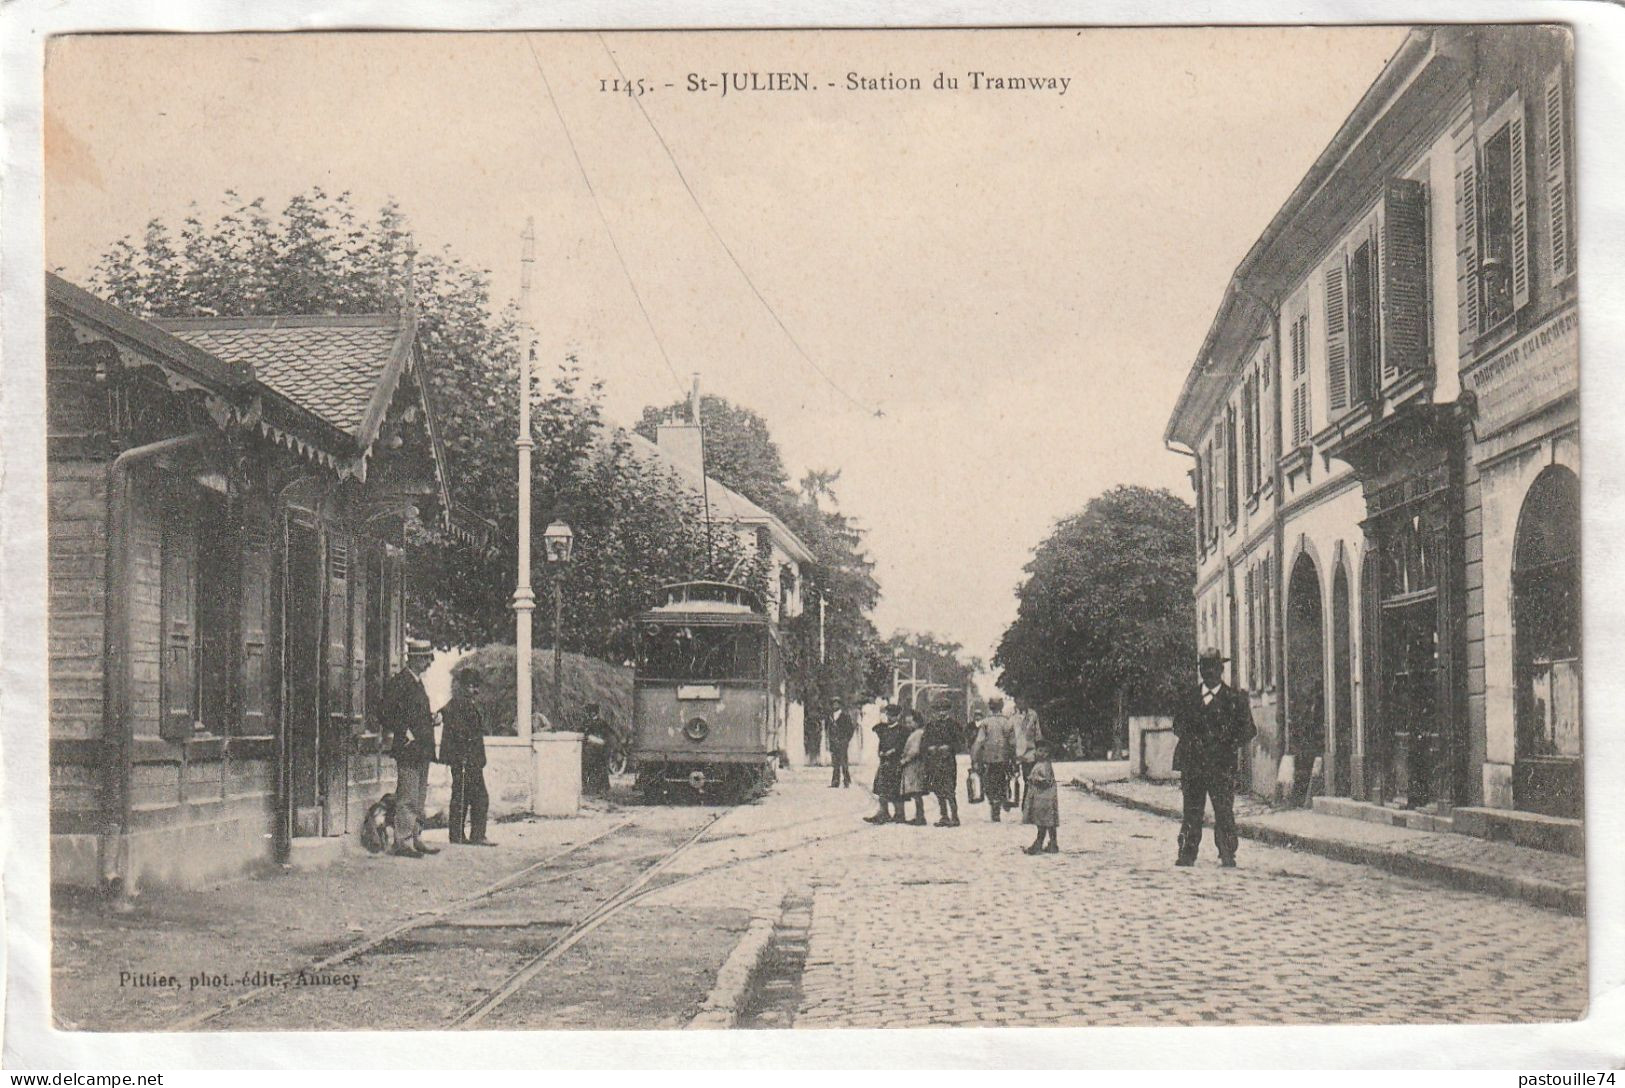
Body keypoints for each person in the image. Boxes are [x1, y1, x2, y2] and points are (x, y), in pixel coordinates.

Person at [1172, 646, 1257, 868]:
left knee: (1223, 811)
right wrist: (1193, 742)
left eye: (1212, 667)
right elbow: (1177, 725)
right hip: (1193, 765)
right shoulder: (1188, 698)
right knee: (1191, 810)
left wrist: (1227, 744)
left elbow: (1248, 730)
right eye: (1204, 667)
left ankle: (1227, 852)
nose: (1208, 672)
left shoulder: (1234, 699)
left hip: (1221, 766)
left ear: (1221, 669)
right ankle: (1187, 853)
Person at [380, 639, 439, 858]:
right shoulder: (400, 682)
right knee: (407, 796)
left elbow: (414, 713)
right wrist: (403, 731)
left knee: (419, 795)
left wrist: (431, 718)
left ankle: (416, 837)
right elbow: (384, 712)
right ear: (413, 658)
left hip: (422, 748)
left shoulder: (417, 683)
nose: (428, 663)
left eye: (428, 657)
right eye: (425, 658)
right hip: (408, 749)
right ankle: (402, 842)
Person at [439, 665, 495, 847]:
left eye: (476, 686)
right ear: (462, 686)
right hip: (464, 759)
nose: (474, 689)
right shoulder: (456, 705)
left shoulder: (467, 704)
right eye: (470, 685)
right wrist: (461, 755)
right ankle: (460, 836)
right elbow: (458, 733)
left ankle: (467, 835)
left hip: (472, 760)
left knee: (473, 796)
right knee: (465, 796)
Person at [970, 697, 1018, 822]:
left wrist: (975, 758)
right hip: (1004, 757)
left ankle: (994, 805)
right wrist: (1015, 758)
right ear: (1001, 707)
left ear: (990, 707)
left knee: (989, 782)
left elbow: (979, 742)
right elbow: (1013, 742)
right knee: (1003, 780)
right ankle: (1002, 800)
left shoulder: (985, 723)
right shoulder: (1007, 722)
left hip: (989, 759)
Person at [865, 704, 907, 824]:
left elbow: (902, 745)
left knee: (896, 789)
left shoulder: (902, 730)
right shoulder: (883, 729)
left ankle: (900, 814)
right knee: (881, 788)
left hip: (896, 763)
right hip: (884, 762)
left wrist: (893, 751)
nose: (890, 718)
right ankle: (883, 813)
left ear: (898, 716)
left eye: (893, 715)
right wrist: (881, 752)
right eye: (888, 715)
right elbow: (880, 742)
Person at [923, 701, 961, 827]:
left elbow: (960, 743)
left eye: (944, 710)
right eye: (938, 710)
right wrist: (930, 748)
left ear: (948, 711)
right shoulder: (930, 726)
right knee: (938, 789)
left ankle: (955, 817)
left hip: (948, 761)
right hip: (934, 761)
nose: (941, 713)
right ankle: (944, 816)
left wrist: (949, 747)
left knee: (949, 788)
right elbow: (924, 742)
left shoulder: (954, 725)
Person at [1021, 740, 1060, 854]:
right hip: (1042, 799)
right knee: (1048, 822)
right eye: (1040, 750)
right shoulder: (1039, 765)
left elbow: (1046, 781)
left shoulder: (1045, 765)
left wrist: (1034, 780)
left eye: (1046, 752)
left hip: (1044, 799)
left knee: (1043, 823)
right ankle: (1052, 844)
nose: (1043, 754)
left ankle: (1039, 844)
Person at [897, 709, 928, 825]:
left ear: (917, 722)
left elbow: (914, 750)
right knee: (916, 792)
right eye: (907, 723)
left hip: (914, 766)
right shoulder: (916, 733)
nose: (908, 725)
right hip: (914, 766)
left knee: (916, 792)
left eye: (910, 723)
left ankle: (920, 816)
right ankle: (919, 815)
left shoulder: (918, 734)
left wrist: (904, 760)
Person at [580, 703, 615, 798]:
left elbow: (607, 736)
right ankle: (597, 789)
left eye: (588, 712)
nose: (587, 714)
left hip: (599, 749)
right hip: (592, 749)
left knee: (598, 768)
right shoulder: (592, 722)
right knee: (595, 769)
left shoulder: (599, 723)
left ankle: (599, 789)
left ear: (592, 713)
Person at [827, 697, 856, 788]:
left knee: (843, 762)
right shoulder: (830, 716)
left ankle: (846, 780)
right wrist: (830, 739)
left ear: (840, 705)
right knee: (835, 762)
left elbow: (851, 729)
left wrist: (846, 739)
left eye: (837, 703)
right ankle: (835, 781)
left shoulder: (845, 716)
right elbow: (828, 730)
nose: (835, 705)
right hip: (833, 742)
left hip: (842, 742)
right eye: (833, 703)